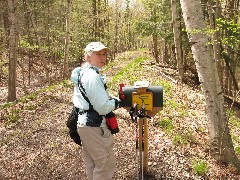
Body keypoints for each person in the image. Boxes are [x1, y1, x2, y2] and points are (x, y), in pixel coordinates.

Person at [70, 42, 120, 180]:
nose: (102, 57)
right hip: (94, 126)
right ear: (88, 57)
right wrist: (117, 102)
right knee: (104, 164)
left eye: (104, 54)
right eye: (98, 54)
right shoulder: (91, 76)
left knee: (92, 164)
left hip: (86, 125)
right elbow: (102, 107)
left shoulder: (85, 72)